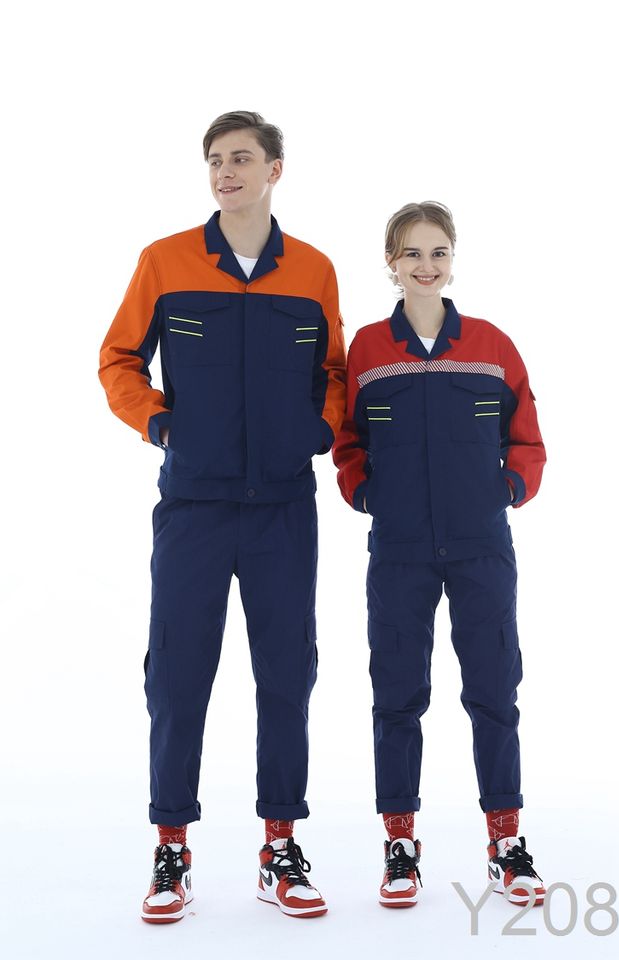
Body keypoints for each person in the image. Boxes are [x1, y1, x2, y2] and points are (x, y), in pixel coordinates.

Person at [99, 111, 346, 922]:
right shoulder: (165, 260)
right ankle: (171, 848)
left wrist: (320, 430)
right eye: (214, 160)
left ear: (276, 169)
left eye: (241, 158)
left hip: (284, 509)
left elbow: (335, 370)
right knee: (177, 677)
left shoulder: (312, 270)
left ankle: (280, 847)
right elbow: (118, 358)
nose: (224, 172)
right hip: (194, 508)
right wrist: (158, 422)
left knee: (287, 675)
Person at [332, 201, 546, 909]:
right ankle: (400, 844)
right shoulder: (368, 350)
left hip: (482, 546)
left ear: (453, 260)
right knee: (397, 694)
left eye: (439, 252)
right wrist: (366, 493)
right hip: (400, 548)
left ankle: (506, 842)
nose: (427, 266)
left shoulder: (491, 344)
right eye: (413, 253)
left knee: (494, 690)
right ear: (390, 263)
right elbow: (348, 440)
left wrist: (508, 489)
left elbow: (527, 437)